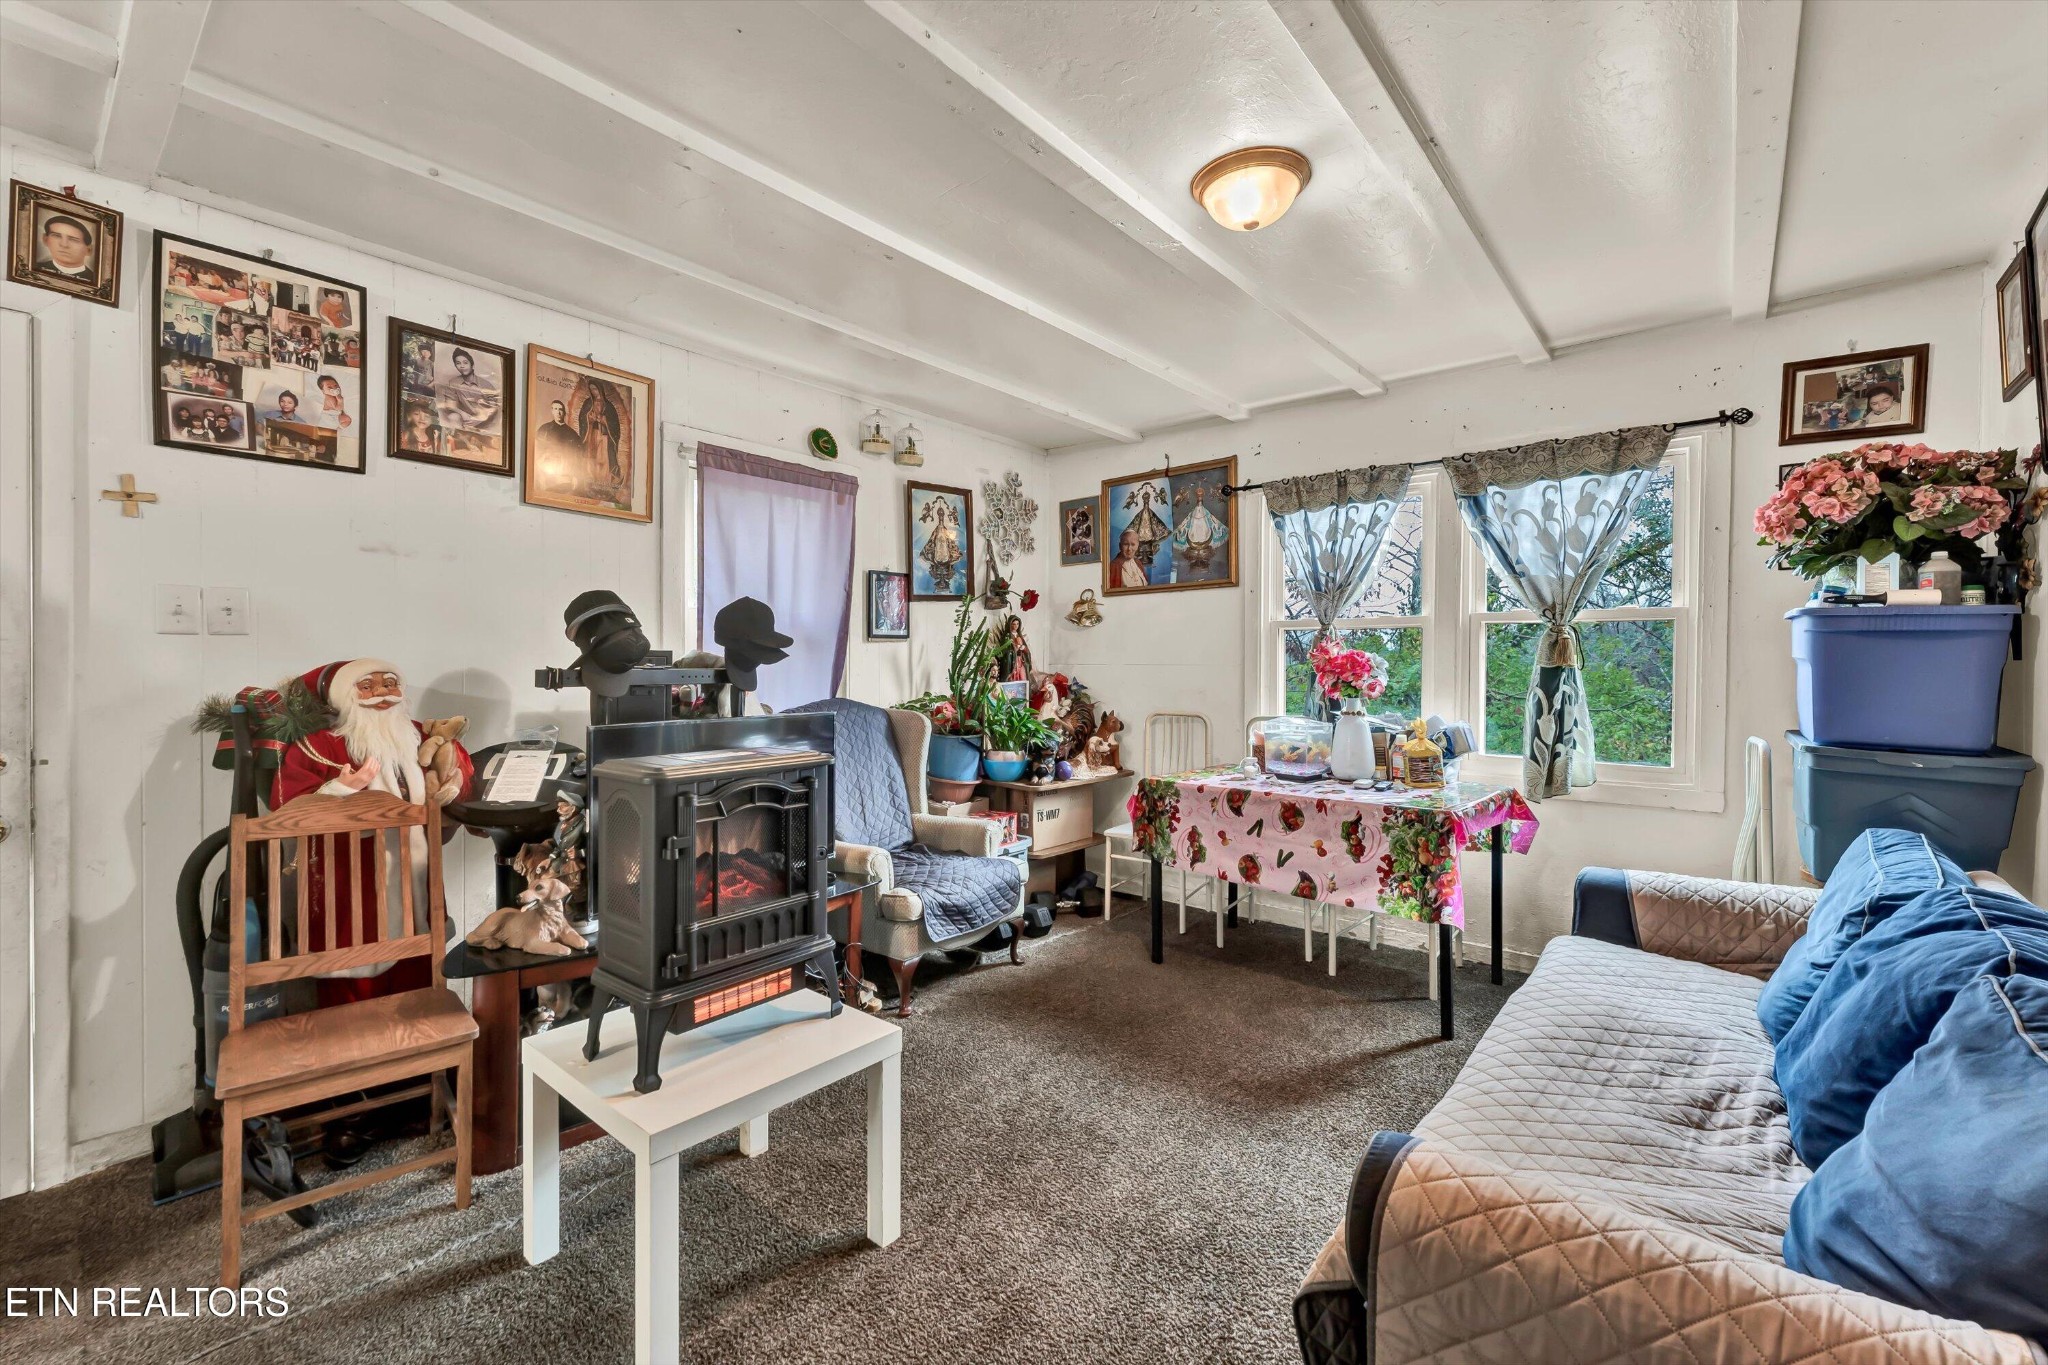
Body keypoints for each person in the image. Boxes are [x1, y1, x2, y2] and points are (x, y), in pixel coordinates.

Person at [272, 659, 473, 1006]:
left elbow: (459, 770)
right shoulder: (320, 747)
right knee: (353, 965)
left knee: (417, 970)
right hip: (350, 877)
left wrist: (455, 779)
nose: (381, 693)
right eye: (367, 686)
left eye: (390, 683)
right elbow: (287, 809)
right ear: (345, 696)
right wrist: (339, 790)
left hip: (417, 872)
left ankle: (417, 1037)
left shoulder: (417, 735)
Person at [437, 346, 501, 435]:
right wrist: (463, 414)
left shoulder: (486, 385)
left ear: (472, 365)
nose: (462, 366)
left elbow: (493, 407)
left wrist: (479, 418)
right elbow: (450, 405)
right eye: (458, 363)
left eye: (465, 362)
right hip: (465, 419)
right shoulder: (453, 382)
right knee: (453, 417)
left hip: (484, 419)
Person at [577, 379, 624, 484]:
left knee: (603, 459)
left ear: (600, 389)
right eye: (591, 390)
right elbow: (582, 418)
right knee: (591, 456)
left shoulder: (609, 406)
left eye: (595, 389)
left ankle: (603, 482)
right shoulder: (587, 403)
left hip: (604, 436)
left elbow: (614, 423)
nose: (593, 392)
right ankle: (591, 480)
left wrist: (604, 420)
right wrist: (589, 419)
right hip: (591, 434)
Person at [33, 212, 94, 279]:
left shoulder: (94, 279)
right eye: (57, 236)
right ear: (45, 239)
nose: (64, 245)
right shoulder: (34, 267)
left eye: (73, 240)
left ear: (88, 250)